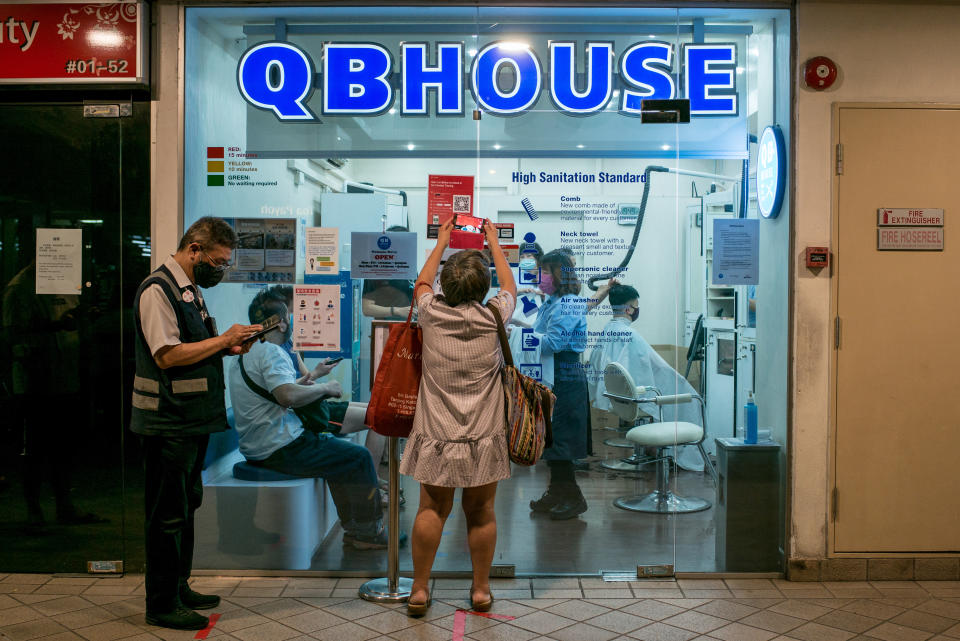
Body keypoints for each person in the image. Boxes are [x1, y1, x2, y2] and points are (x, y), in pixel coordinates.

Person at [130, 217, 262, 631]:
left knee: (186, 507)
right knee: (167, 514)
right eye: (218, 262)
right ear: (194, 249)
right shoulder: (158, 290)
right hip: (167, 421)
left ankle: (178, 585)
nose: (220, 270)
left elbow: (192, 348)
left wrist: (227, 346)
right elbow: (167, 355)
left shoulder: (190, 290)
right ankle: (161, 602)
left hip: (190, 420)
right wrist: (223, 340)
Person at [400, 219, 516, 615]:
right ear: (483, 289)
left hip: (437, 432)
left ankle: (418, 590)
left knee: (431, 509)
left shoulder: (431, 314)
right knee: (481, 511)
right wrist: (494, 243)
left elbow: (421, 284)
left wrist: (442, 241)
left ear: (445, 287)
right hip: (484, 433)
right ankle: (480, 590)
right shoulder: (494, 317)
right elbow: (510, 287)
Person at [228, 294, 399, 549]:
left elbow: (276, 391)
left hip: (259, 444)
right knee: (358, 457)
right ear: (282, 323)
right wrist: (324, 388)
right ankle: (367, 533)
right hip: (280, 446)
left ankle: (355, 529)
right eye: (290, 317)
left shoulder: (246, 352)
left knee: (339, 457)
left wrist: (313, 380)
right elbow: (286, 396)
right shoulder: (272, 352)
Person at [587, 284, 705, 471]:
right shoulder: (630, 335)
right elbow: (654, 368)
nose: (637, 310)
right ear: (628, 309)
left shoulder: (608, 329)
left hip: (617, 396)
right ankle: (682, 454)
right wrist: (680, 380)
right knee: (691, 399)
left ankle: (653, 448)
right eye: (636, 306)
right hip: (635, 396)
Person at [527, 250, 590, 520]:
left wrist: (521, 336)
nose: (540, 277)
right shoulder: (552, 302)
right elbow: (541, 331)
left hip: (565, 375)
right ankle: (555, 492)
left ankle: (574, 498)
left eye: (545, 272)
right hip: (552, 374)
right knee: (551, 439)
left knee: (562, 440)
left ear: (559, 275)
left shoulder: (569, 303)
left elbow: (553, 342)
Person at [362, 225, 416, 320]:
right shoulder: (375, 270)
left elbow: (415, 300)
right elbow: (366, 308)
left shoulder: (410, 268)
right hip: (384, 327)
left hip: (409, 327)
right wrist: (396, 311)